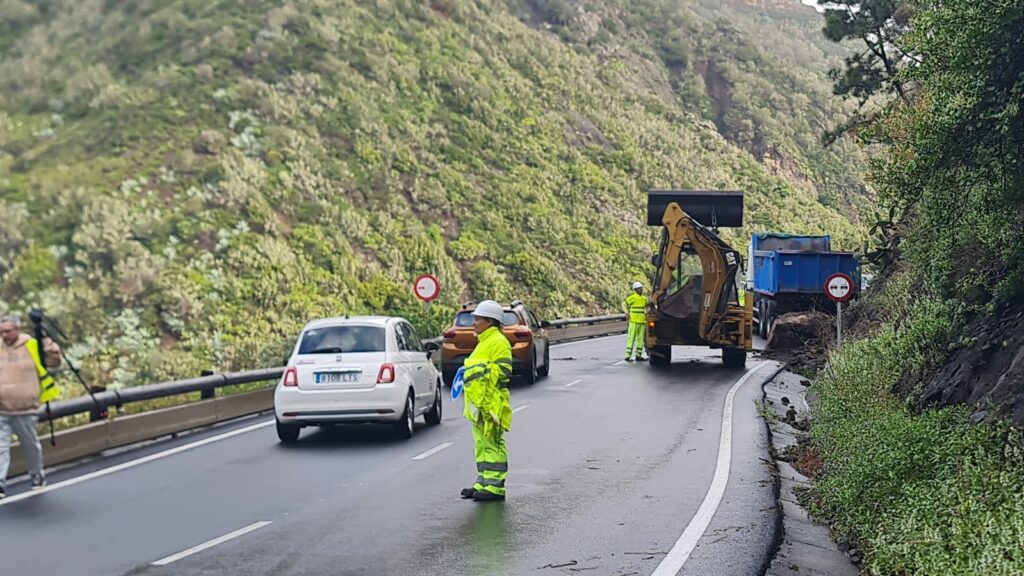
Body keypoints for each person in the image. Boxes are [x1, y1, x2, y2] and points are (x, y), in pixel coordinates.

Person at [0, 314, 62, 498]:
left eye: (8, 331)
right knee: (0, 447)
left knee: (30, 445)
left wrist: (46, 341)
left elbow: (54, 362)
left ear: (17, 330)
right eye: (1, 332)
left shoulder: (31, 345)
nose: (4, 335)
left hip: (25, 408)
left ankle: (37, 475)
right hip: (1, 409)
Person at [459, 300, 513, 502]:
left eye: (478, 319)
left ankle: (495, 487)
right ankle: (483, 482)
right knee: (482, 443)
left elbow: (505, 371)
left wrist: (478, 371)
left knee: (493, 443)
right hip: (479, 402)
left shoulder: (498, 342)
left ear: (490, 321)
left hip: (491, 401)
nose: (474, 322)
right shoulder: (485, 341)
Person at [623, 282, 648, 362]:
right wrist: (626, 312)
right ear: (635, 290)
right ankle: (628, 356)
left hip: (642, 321)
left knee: (640, 339)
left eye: (641, 288)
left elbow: (647, 308)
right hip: (633, 321)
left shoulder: (644, 299)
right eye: (639, 288)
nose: (641, 289)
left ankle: (638, 355)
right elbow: (624, 304)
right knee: (631, 338)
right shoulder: (632, 297)